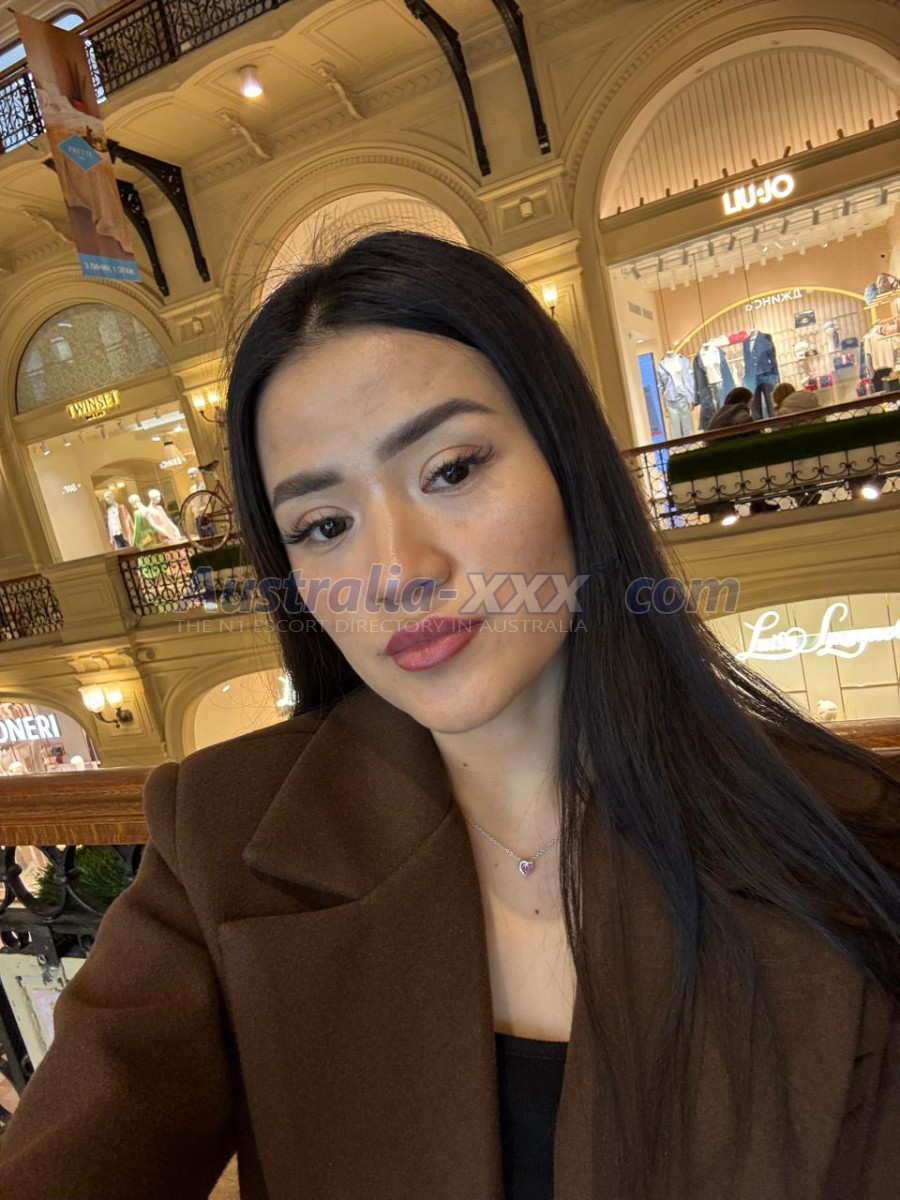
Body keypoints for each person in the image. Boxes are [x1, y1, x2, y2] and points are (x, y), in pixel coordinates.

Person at [3, 230, 900, 1200]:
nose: (397, 572)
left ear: (567, 459)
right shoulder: (224, 834)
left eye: (452, 469)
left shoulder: (850, 834)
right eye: (324, 526)